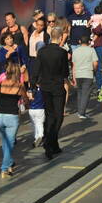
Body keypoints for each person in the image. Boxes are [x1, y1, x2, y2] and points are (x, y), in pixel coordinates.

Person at [36, 21, 71, 159]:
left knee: (49, 114)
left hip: (45, 87)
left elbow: (37, 69)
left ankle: (52, 144)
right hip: (57, 87)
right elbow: (64, 73)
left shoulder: (42, 51)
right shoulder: (62, 52)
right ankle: (50, 141)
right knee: (58, 116)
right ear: (61, 37)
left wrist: (33, 84)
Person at [0, 61, 28, 178]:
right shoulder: (20, 85)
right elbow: (25, 100)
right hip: (12, 116)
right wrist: (26, 105)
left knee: (5, 142)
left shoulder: (1, 83)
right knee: (10, 143)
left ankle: (9, 163)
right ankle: (4, 168)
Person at [70, 34, 98, 118]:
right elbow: (95, 63)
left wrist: (73, 77)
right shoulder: (91, 50)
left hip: (78, 74)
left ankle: (80, 111)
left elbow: (73, 65)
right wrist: (94, 71)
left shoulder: (75, 51)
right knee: (86, 94)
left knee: (80, 93)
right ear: (89, 42)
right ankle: (82, 113)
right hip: (88, 73)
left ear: (79, 42)